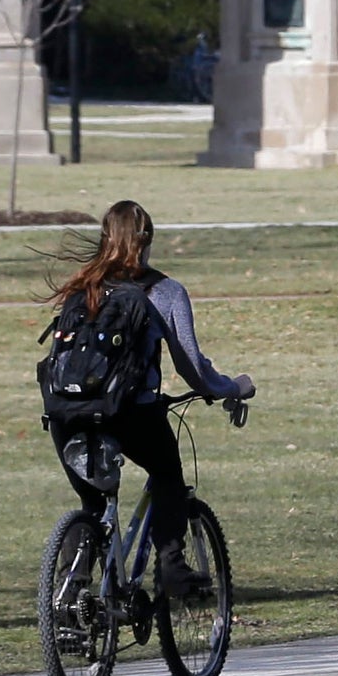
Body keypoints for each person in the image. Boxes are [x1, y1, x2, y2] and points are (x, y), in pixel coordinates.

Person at [44, 200, 254, 599]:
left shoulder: (80, 288)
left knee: (92, 500)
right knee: (167, 474)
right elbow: (193, 369)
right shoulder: (166, 291)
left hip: (66, 415)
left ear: (104, 239)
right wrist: (230, 387)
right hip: (129, 413)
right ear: (148, 241)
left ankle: (68, 602)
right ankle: (173, 569)